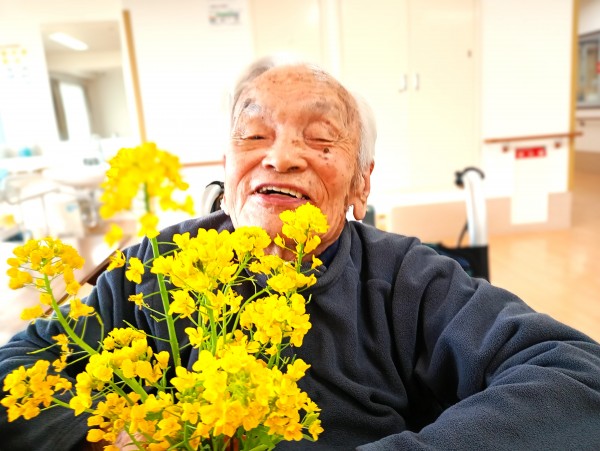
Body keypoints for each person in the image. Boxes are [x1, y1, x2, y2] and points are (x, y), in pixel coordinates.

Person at [1, 55, 600, 451]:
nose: (281, 157)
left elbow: (576, 373)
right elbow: (15, 369)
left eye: (320, 139)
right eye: (253, 135)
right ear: (227, 167)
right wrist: (114, 438)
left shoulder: (407, 278)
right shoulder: (153, 266)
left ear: (361, 184)